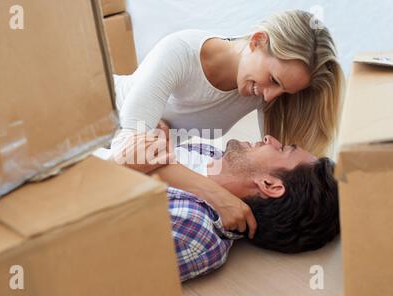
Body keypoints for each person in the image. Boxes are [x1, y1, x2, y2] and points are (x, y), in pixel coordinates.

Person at [111, 10, 344, 239]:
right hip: (92, 119)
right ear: (257, 41)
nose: (270, 96)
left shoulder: (261, 90)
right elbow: (129, 155)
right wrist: (217, 196)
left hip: (146, 157)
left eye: (283, 90)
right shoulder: (180, 53)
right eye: (274, 80)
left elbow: (275, 177)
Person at [163, 136, 339, 281]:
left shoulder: (194, 229)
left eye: (282, 149)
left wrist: (139, 153)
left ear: (269, 185)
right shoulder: (209, 152)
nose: (269, 138)